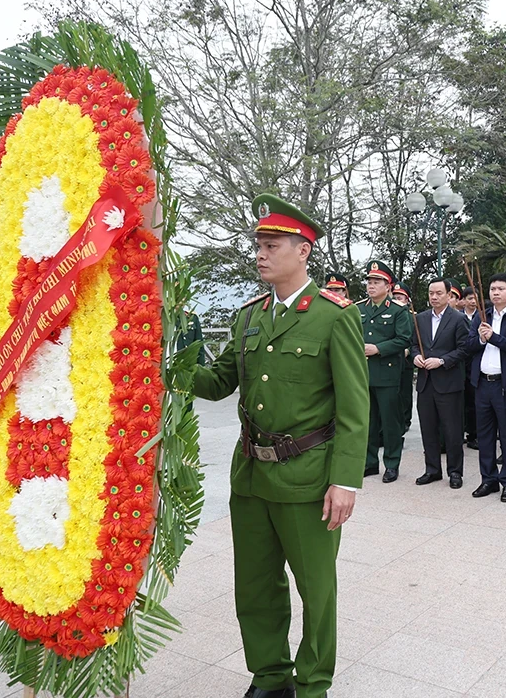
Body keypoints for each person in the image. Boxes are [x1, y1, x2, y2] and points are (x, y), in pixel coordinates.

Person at [181, 194, 367, 698]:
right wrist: (162, 360)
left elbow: (354, 408)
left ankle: (312, 685)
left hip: (308, 476)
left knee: (316, 590)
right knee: (256, 586)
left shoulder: (333, 316)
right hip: (251, 475)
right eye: (258, 246)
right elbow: (218, 382)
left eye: (272, 246)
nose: (260, 255)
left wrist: (345, 481)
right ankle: (270, 676)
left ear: (303, 250)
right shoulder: (249, 317)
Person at [466, 273, 506, 502]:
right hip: (482, 383)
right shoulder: (482, 315)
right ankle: (488, 479)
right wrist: (481, 339)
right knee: (484, 436)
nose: (495, 292)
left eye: (500, 289)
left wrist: (493, 337)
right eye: (492, 289)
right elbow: (468, 345)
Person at [411, 277, 470, 489]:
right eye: (431, 293)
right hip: (425, 383)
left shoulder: (458, 319)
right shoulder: (421, 318)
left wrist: (442, 361)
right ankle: (432, 469)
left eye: (439, 293)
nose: (434, 297)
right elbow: (414, 344)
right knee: (428, 429)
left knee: (452, 431)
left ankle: (455, 472)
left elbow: (464, 349)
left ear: (449, 295)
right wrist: (416, 356)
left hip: (449, 383)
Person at [360, 261, 413, 483]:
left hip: (388, 374)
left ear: (388, 286)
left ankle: (391, 464)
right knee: (368, 422)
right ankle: (370, 462)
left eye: (376, 282)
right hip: (364, 374)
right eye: (369, 282)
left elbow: (404, 339)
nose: (371, 286)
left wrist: (378, 348)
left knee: (390, 423)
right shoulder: (359, 308)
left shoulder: (398, 310)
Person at [391, 281, 415, 438]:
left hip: (406, 361)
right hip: (392, 360)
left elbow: (416, 338)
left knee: (405, 393)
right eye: (395, 297)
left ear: (407, 300)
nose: (397, 300)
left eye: (400, 297)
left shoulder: (413, 317)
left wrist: (409, 351)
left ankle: (406, 420)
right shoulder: (390, 313)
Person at [460, 286, 479, 450]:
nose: (473, 301)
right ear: (463, 301)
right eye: (470, 298)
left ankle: (474, 435)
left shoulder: (483, 316)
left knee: (474, 402)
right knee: (461, 402)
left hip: (476, 364)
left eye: (475, 298)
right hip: (460, 364)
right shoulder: (458, 317)